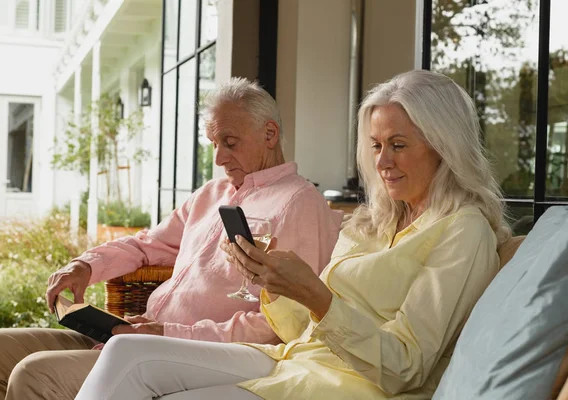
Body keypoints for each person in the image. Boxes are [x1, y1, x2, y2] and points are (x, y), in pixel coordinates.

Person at [74, 69, 513, 400]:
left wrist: (317, 296)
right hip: (294, 360)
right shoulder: (372, 222)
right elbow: (299, 327)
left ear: (444, 146)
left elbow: (406, 368)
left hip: (348, 386)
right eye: (376, 146)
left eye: (398, 145)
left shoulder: (462, 230)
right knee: (126, 351)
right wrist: (276, 284)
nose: (382, 162)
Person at [0, 78, 343, 400]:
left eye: (229, 142)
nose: (218, 158)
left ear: (269, 134)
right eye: (213, 143)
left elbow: (281, 326)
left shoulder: (298, 204)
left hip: (179, 353)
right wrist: (86, 265)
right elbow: (147, 245)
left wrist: (166, 332)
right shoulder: (211, 194)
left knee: (34, 375)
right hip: (135, 331)